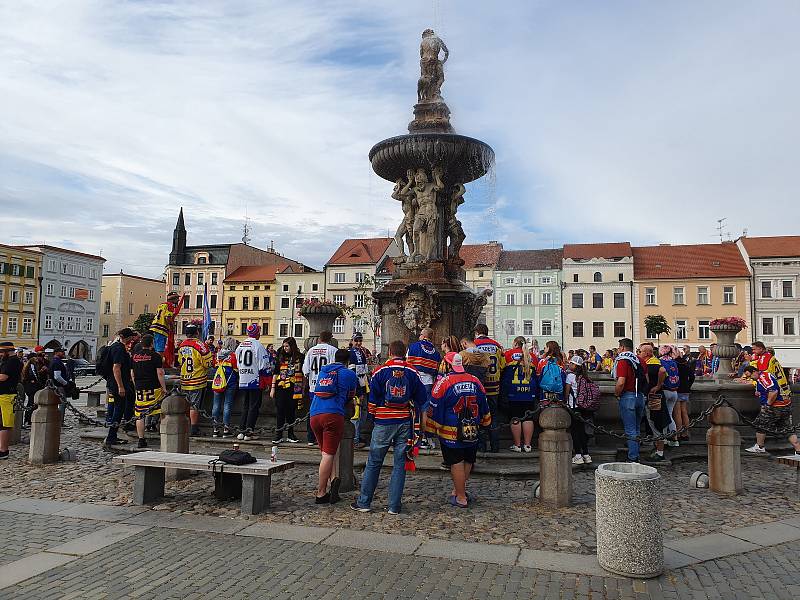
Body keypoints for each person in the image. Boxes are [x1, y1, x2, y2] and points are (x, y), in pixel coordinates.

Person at [350, 340, 426, 515]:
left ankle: (364, 502)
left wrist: (373, 417)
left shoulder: (380, 371)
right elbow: (421, 398)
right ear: (404, 352)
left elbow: (373, 400)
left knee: (374, 462)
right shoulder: (413, 371)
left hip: (384, 422)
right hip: (404, 422)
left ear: (390, 352)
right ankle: (394, 506)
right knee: (400, 464)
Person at [427, 351, 491, 508]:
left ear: (448, 365)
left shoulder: (444, 382)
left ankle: (461, 497)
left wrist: (432, 427)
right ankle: (458, 489)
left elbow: (435, 406)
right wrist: (485, 421)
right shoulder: (475, 380)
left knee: (456, 462)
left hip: (452, 430)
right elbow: (484, 403)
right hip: (472, 428)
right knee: (468, 459)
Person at [310, 348, 358, 504]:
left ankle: (334, 481)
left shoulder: (323, 372)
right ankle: (321, 493)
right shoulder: (348, 374)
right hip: (332, 415)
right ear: (348, 362)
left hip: (314, 414)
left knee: (327, 453)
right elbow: (351, 396)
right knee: (328, 455)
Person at [742, 365, 800, 455]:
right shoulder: (765, 376)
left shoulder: (763, 377)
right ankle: (798, 450)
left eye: (749, 375)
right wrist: (760, 393)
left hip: (775, 407)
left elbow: (773, 391)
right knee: (787, 429)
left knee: (760, 424)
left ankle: (760, 447)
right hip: (784, 406)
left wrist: (767, 405)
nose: (750, 378)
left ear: (754, 371)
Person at [406, 327, 441, 450]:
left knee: (412, 409)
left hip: (414, 382)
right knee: (425, 410)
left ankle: (411, 437)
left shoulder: (413, 347)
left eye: (420, 334)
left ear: (423, 335)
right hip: (428, 383)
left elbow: (407, 365)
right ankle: (425, 438)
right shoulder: (436, 353)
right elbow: (437, 371)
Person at [501, 336, 538, 453]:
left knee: (515, 417)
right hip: (529, 392)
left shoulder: (508, 354)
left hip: (513, 391)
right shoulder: (532, 357)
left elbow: (502, 370)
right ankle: (527, 445)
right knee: (528, 417)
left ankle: (517, 445)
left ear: (515, 343)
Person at [235, 324, 271, 441]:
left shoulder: (241, 345)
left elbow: (237, 362)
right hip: (255, 379)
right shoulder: (258, 345)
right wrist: (268, 382)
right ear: (257, 333)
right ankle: (249, 432)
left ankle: (241, 430)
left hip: (243, 379)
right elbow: (264, 365)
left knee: (245, 405)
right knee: (254, 406)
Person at [131, 334, 167, 449]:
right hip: (154, 388)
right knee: (161, 411)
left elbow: (132, 373)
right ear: (152, 343)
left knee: (140, 414)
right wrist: (164, 388)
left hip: (140, 388)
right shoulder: (155, 356)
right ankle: (164, 436)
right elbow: (160, 373)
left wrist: (136, 384)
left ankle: (141, 439)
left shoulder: (135, 356)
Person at [473, 324, 505, 453]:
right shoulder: (496, 345)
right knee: (494, 415)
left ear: (477, 332)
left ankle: (481, 446)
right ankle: (495, 445)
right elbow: (502, 365)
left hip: (481, 385)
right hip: (494, 385)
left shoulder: (475, 344)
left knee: (480, 414)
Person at [303, 330, 338, 447]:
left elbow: (305, 370)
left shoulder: (311, 351)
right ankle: (323, 438)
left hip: (313, 387)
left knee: (312, 412)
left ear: (319, 338)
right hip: (327, 387)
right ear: (330, 339)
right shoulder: (333, 351)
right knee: (326, 413)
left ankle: (310, 437)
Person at [177, 324, 213, 437]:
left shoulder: (181, 345)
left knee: (186, 405)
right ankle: (193, 428)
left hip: (184, 379)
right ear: (197, 332)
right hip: (197, 379)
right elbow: (208, 363)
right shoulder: (200, 345)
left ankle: (186, 426)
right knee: (194, 405)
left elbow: (179, 361)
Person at [613, 338, 646, 462]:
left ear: (622, 347)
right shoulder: (640, 360)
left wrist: (616, 393)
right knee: (637, 428)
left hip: (628, 396)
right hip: (640, 396)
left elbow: (621, 382)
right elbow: (646, 379)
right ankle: (636, 453)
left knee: (630, 429)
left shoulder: (623, 360)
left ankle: (633, 458)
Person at [105, 328, 138, 447]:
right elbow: (116, 367)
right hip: (118, 384)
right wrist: (120, 386)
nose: (132, 339)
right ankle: (111, 436)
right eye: (131, 337)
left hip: (118, 383)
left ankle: (113, 435)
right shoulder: (118, 348)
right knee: (118, 410)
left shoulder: (117, 347)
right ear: (127, 338)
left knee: (120, 409)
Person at [564, 355, 597, 464]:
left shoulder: (570, 377)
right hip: (584, 407)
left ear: (574, 365)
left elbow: (567, 392)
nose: (569, 364)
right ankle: (586, 455)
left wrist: (565, 402)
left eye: (571, 363)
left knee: (575, 431)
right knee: (582, 431)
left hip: (574, 406)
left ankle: (578, 455)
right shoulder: (585, 377)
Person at [639, 343, 669, 462]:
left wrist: (657, 386)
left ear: (647, 353)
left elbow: (662, 371)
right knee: (655, 423)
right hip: (656, 396)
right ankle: (657, 449)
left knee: (656, 423)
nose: (639, 353)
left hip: (655, 397)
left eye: (640, 351)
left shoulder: (653, 363)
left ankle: (660, 452)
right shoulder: (653, 361)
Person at [271, 337, 304, 444]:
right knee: (280, 411)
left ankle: (291, 434)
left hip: (294, 388)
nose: (285, 348)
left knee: (291, 412)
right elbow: (275, 373)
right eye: (284, 346)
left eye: (287, 346)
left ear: (292, 346)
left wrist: (303, 388)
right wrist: (272, 388)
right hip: (281, 387)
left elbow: (303, 374)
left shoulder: (300, 357)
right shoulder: (280, 356)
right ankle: (278, 434)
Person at [211, 337, 239, 438]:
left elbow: (214, 366)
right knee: (227, 405)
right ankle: (226, 429)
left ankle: (215, 429)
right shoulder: (233, 356)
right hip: (230, 383)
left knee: (216, 405)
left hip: (218, 382)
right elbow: (236, 370)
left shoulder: (218, 355)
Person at [0, 341, 23, 459]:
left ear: (6, 352)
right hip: (3, 395)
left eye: (1, 352)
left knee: (5, 424)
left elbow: (3, 377)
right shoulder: (8, 361)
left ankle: (3, 450)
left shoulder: (12, 361)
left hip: (7, 395)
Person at [348, 332, 370, 449]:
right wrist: (359, 391)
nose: (358, 343)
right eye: (356, 340)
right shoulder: (350, 354)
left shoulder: (362, 352)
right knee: (356, 415)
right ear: (352, 341)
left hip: (363, 386)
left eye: (360, 340)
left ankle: (358, 435)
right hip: (357, 389)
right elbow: (352, 374)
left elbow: (364, 372)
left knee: (363, 413)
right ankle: (354, 439)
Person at [659, 345, 681, 446]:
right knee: (670, 415)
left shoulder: (660, 362)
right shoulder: (673, 362)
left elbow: (662, 373)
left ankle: (664, 439)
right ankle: (674, 439)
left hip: (665, 390)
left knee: (664, 416)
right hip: (674, 391)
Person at [21, 347, 47, 428]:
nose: (37, 358)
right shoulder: (30, 366)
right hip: (31, 388)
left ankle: (29, 420)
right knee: (31, 403)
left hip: (33, 387)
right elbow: (32, 376)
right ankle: (27, 420)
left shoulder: (33, 366)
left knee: (33, 403)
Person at [675, 348, 695, 441]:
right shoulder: (686, 363)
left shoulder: (674, 363)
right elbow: (692, 376)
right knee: (684, 412)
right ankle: (686, 433)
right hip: (685, 389)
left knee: (677, 413)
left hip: (677, 389)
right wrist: (688, 385)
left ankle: (678, 433)